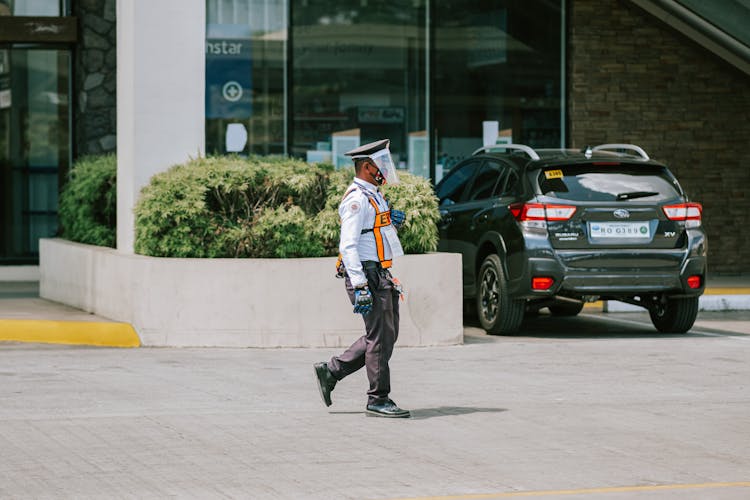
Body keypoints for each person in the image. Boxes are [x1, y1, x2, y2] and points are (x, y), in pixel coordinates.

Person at [313, 139, 410, 418]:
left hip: (379, 272)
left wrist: (391, 221)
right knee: (379, 338)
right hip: (366, 275)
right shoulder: (357, 198)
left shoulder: (374, 195)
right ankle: (378, 399)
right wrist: (360, 285)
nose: (386, 170)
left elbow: (374, 232)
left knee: (386, 335)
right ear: (367, 167)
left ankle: (331, 371)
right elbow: (348, 245)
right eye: (382, 165)